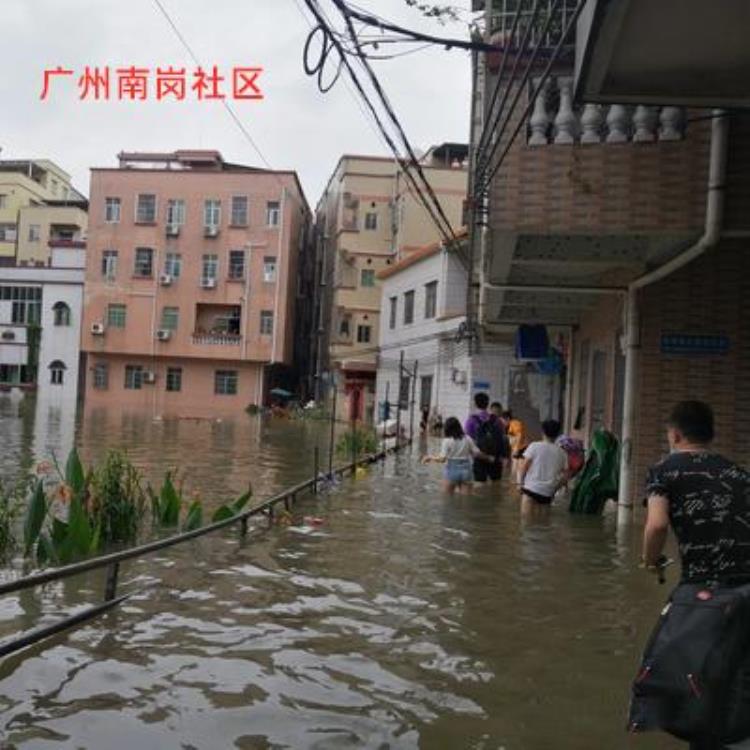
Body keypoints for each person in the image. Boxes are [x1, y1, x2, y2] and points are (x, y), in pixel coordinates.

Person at [640, 401, 750, 750]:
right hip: (745, 590)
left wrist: (649, 560)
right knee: (738, 680)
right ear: (711, 435)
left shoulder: (664, 470)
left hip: (704, 596)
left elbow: (656, 524)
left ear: (674, 434)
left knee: (697, 682)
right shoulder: (738, 474)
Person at [423, 417, 491, 495]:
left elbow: (442, 459)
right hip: (466, 471)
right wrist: (489, 457)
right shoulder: (467, 438)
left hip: (452, 472)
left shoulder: (447, 441)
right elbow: (477, 453)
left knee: (447, 500)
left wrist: (430, 457)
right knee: (465, 501)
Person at [518, 419, 568, 512]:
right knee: (543, 523)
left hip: (531, 489)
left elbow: (524, 467)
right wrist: (555, 489)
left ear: (543, 432)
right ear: (558, 434)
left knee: (525, 523)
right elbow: (565, 477)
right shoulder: (562, 453)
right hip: (547, 493)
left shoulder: (534, 446)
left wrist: (521, 484)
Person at [465, 393, 507, 483]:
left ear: (475, 403)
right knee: (496, 485)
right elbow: (503, 438)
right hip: (495, 458)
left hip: (480, 457)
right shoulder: (497, 420)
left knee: (480, 486)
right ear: (488, 404)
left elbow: (468, 441)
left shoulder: (471, 420)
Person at [503, 409, 529, 484]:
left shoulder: (515, 423)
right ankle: (515, 487)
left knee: (518, 471)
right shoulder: (511, 425)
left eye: (503, 420)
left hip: (521, 449)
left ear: (507, 418)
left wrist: (516, 449)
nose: (503, 423)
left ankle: (516, 488)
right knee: (515, 471)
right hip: (518, 449)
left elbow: (519, 435)